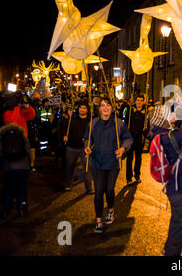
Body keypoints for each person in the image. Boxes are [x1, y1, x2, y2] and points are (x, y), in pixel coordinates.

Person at [148, 97, 182, 256]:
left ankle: (170, 246)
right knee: (181, 225)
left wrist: (181, 108)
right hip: (178, 189)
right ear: (164, 119)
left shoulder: (165, 134)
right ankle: (171, 250)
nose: (173, 114)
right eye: (169, 113)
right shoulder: (170, 138)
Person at [84, 97, 133, 234]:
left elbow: (128, 138)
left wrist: (123, 148)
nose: (105, 108)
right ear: (99, 108)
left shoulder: (119, 123)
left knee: (109, 189)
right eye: (102, 105)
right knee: (99, 191)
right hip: (97, 162)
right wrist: (87, 147)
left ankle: (110, 209)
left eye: (108, 105)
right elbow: (87, 138)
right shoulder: (93, 123)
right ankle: (99, 220)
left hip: (112, 162)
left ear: (112, 108)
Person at [0, 122, 31, 217]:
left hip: (9, 167)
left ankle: (5, 210)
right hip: (23, 166)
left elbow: (2, 153)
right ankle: (22, 208)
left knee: (9, 189)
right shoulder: (22, 136)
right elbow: (28, 151)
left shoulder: (3, 137)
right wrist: (29, 164)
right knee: (22, 188)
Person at [62, 101, 94, 194]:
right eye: (80, 108)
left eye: (84, 108)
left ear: (87, 110)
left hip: (85, 147)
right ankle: (68, 184)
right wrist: (65, 135)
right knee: (70, 166)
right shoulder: (72, 119)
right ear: (78, 109)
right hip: (71, 147)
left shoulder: (90, 120)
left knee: (87, 168)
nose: (82, 110)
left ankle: (89, 188)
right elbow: (65, 128)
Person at [124, 94, 148, 185]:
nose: (139, 102)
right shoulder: (130, 110)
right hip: (130, 138)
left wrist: (144, 135)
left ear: (143, 101)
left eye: (141, 100)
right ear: (135, 101)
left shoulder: (145, 112)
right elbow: (125, 123)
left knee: (138, 158)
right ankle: (128, 178)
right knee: (129, 158)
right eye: (137, 100)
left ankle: (137, 175)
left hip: (139, 138)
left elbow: (147, 125)